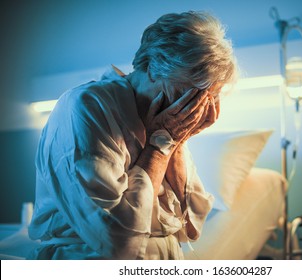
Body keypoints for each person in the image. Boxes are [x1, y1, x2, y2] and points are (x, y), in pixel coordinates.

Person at [28, 10, 237, 260]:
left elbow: (189, 226)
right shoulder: (87, 106)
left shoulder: (170, 121)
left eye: (201, 100)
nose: (188, 109)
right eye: (182, 94)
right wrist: (161, 144)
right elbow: (119, 240)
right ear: (150, 66)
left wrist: (178, 141)